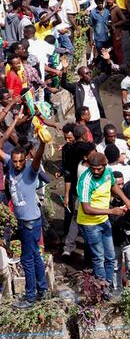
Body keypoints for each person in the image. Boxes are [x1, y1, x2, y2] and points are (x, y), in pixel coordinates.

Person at [77, 152, 130, 297]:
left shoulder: (107, 172)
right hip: (89, 224)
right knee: (99, 258)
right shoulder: (86, 181)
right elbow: (87, 209)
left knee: (111, 257)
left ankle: (110, 286)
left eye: (99, 169)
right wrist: (111, 211)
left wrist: (127, 201)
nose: (96, 171)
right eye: (93, 168)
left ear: (105, 166)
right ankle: (103, 290)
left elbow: (113, 185)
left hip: (103, 221)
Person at [3, 114, 47, 308]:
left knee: (26, 259)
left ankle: (30, 297)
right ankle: (42, 288)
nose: (17, 164)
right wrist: (12, 123)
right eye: (15, 161)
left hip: (31, 222)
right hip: (24, 221)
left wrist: (43, 144)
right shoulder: (9, 165)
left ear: (25, 159)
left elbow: (36, 159)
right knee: (35, 256)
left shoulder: (30, 169)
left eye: (20, 161)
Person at [60, 53, 112, 143]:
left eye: (90, 73)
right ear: (81, 76)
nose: (89, 75)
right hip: (85, 122)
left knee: (99, 141)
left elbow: (107, 74)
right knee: (87, 142)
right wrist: (64, 70)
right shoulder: (76, 87)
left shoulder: (95, 82)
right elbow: (64, 84)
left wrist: (108, 60)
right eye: (87, 73)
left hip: (96, 119)